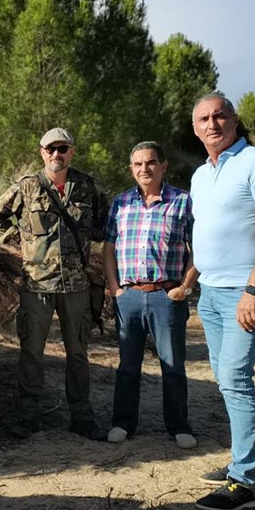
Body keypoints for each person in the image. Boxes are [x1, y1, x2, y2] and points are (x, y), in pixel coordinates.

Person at [189, 94, 255, 510]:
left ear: (234, 120)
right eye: (203, 119)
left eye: (219, 116)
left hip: (246, 293)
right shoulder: (201, 175)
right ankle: (253, 461)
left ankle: (245, 481)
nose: (212, 124)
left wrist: (252, 290)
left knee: (234, 376)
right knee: (225, 376)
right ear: (195, 129)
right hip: (212, 293)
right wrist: (192, 283)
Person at [0, 128, 109, 440]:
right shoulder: (27, 186)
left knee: (78, 354)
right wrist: (19, 239)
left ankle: (81, 417)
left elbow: (104, 222)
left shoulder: (86, 186)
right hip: (36, 284)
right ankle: (28, 417)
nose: (57, 154)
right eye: (50, 149)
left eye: (63, 149)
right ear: (41, 152)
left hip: (76, 285)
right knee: (31, 353)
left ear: (72, 151)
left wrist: (87, 238)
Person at [104, 141, 199, 449]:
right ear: (131, 169)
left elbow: (198, 248)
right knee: (127, 366)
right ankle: (122, 423)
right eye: (138, 164)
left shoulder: (183, 202)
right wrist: (115, 288)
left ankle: (178, 426)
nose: (144, 168)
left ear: (163, 165)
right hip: (129, 296)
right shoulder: (120, 203)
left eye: (151, 162)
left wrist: (185, 287)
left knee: (172, 364)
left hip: (166, 296)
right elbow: (108, 248)